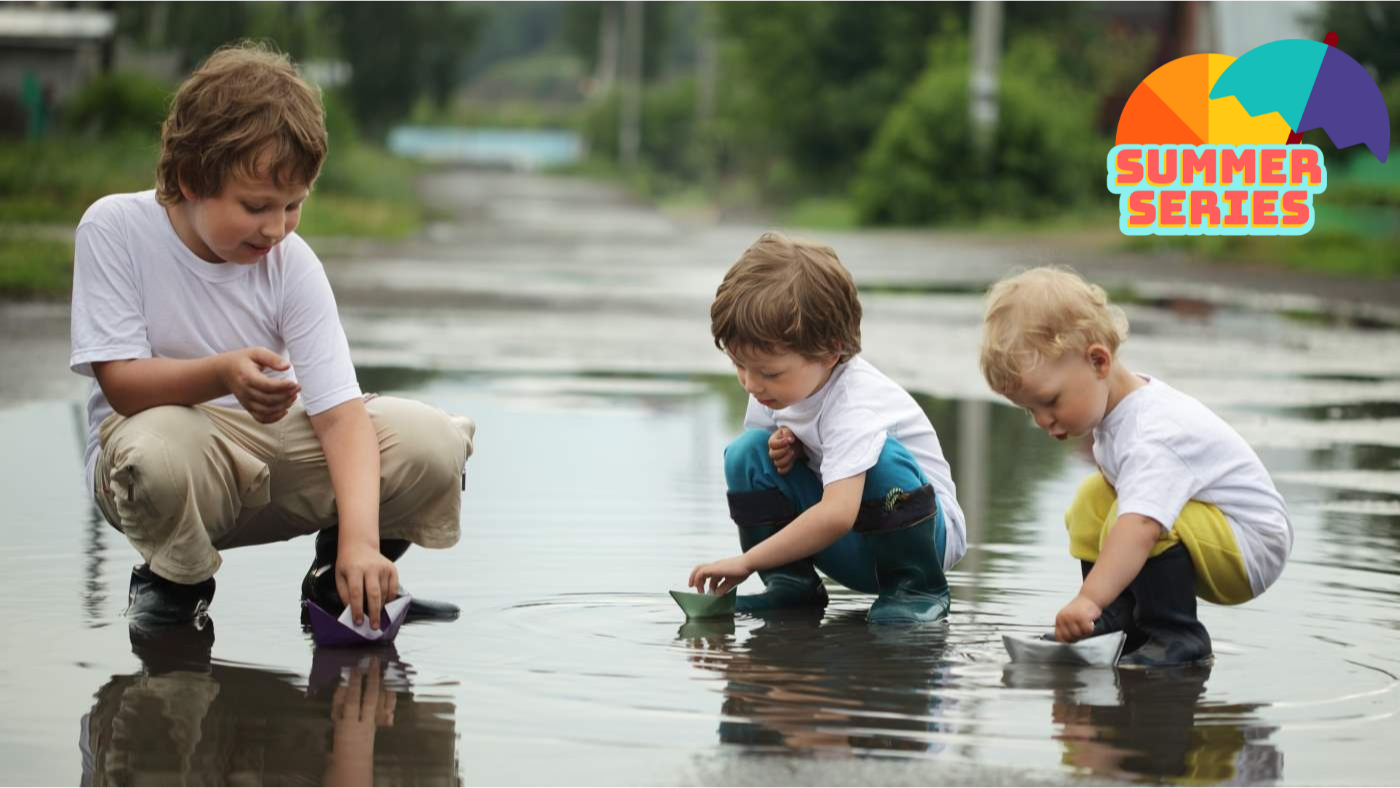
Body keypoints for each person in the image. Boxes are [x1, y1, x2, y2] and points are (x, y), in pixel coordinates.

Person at [69, 43, 475, 634]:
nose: (276, 227)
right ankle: (174, 583)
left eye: (293, 205)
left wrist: (362, 544)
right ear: (189, 178)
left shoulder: (291, 261)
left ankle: (344, 581)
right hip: (171, 457)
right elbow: (123, 385)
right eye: (256, 205)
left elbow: (339, 414)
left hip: (269, 451)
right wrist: (222, 373)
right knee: (156, 450)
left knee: (431, 442)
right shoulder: (115, 229)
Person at [979, 266, 1292, 666]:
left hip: (1250, 547)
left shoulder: (1151, 433)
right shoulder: (1115, 415)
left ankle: (1176, 635)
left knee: (1143, 519)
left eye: (1051, 401)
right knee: (1093, 498)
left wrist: (1088, 598)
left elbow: (1142, 527)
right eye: (1030, 410)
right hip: (1213, 532)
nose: (1043, 420)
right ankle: (1119, 622)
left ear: (1098, 362)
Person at [688, 232, 966, 624]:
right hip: (852, 542)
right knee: (748, 453)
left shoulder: (855, 402)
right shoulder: (773, 388)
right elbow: (779, 469)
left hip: (919, 541)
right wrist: (793, 446)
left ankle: (916, 590)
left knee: (880, 459)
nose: (751, 383)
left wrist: (747, 561)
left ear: (831, 351)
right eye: (739, 366)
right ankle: (790, 584)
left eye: (768, 371)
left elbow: (836, 514)